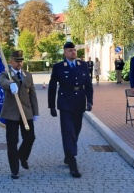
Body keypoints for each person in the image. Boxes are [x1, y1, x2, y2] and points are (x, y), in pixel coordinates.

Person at [48, 42, 93, 178]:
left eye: (74, 50)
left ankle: (68, 154)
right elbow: (52, 87)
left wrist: (90, 101)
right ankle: (72, 162)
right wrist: (51, 106)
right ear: (64, 53)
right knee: (68, 131)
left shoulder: (83, 65)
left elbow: (88, 85)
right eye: (70, 50)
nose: (73, 52)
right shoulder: (59, 67)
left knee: (76, 130)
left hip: (79, 102)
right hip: (65, 103)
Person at [0, 50, 39, 179]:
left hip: (26, 112)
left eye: (21, 61)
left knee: (30, 137)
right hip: (11, 114)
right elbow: (2, 81)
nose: (19, 63)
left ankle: (22, 156)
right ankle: (14, 170)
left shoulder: (28, 75)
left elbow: (32, 95)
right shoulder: (6, 74)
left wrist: (35, 112)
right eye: (17, 61)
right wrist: (11, 84)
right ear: (11, 61)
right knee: (12, 142)